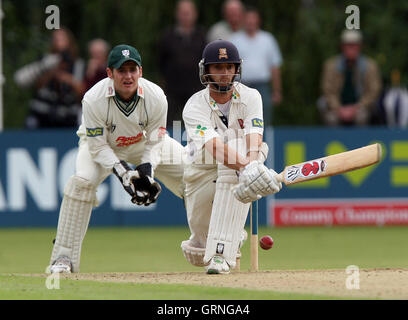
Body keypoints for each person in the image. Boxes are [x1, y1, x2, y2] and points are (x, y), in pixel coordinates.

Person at [49, 44, 186, 273]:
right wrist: (124, 173)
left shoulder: (156, 97)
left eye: (133, 70)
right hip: (103, 146)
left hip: (142, 144)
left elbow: (155, 141)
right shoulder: (93, 98)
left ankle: (211, 246)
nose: (128, 76)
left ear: (140, 72)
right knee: (82, 182)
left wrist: (146, 171)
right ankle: (63, 258)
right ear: (110, 73)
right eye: (122, 71)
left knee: (193, 173)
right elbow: (97, 146)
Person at [181, 40, 282, 274]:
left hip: (241, 160)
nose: (225, 74)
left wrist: (253, 164)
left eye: (230, 67)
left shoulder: (252, 96)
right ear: (206, 71)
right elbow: (214, 148)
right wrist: (249, 168)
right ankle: (227, 236)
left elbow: (254, 138)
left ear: (237, 69)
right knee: (198, 246)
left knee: (237, 150)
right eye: (218, 68)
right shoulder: (194, 106)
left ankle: (220, 255)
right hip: (201, 171)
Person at [14, 28, 85, 128]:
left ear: (69, 41)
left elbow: (81, 90)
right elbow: (35, 85)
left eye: (62, 39)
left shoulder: (78, 64)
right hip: (42, 113)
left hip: (68, 115)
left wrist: (65, 78)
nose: (59, 42)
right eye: (56, 39)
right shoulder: (45, 61)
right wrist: (50, 71)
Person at [158, 0, 207, 129]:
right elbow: (161, 61)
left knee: (197, 121)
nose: (185, 16)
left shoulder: (202, 35)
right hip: (172, 89)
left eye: (188, 13)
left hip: (196, 88)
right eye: (182, 13)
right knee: (170, 122)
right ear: (177, 14)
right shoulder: (167, 36)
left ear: (195, 14)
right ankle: (169, 146)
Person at [229, 7, 283, 126]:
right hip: (240, 85)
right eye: (248, 19)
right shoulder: (235, 39)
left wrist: (277, 90)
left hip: (262, 86)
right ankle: (240, 143)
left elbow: (274, 67)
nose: (251, 22)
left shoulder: (268, 39)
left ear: (258, 21)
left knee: (263, 118)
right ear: (243, 20)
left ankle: (263, 142)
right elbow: (229, 66)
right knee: (239, 119)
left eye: (253, 19)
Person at [318, 29, 382, 126]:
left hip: (361, 107)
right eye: (348, 45)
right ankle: (334, 140)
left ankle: (361, 140)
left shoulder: (370, 66)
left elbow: (374, 91)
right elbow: (327, 91)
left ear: (360, 47)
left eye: (354, 45)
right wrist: (339, 108)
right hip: (337, 107)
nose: (351, 48)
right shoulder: (331, 65)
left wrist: (356, 108)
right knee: (331, 118)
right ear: (342, 47)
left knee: (362, 117)